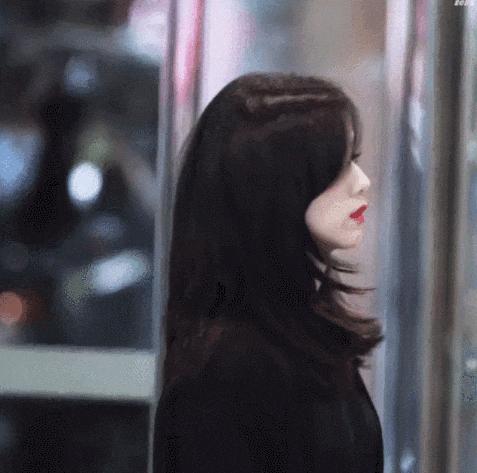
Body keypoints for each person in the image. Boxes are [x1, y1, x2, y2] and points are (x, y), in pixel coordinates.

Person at [152, 72, 385, 473]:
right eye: (339, 165)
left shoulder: (310, 338)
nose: (361, 183)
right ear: (280, 183)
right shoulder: (225, 374)